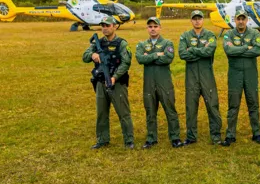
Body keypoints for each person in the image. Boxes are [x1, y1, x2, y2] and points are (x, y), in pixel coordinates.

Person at [83, 16, 135, 149]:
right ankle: (102, 139)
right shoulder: (97, 43)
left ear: (115, 26)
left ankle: (129, 140)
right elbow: (85, 56)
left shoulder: (121, 43)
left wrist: (115, 77)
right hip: (101, 82)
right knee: (101, 113)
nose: (105, 28)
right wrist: (92, 55)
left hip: (117, 83)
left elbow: (126, 63)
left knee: (123, 112)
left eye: (108, 25)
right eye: (103, 26)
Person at [135, 17, 183, 149]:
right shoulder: (142, 44)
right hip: (149, 83)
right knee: (150, 110)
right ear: (147, 29)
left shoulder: (167, 43)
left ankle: (175, 137)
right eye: (150, 26)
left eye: (155, 26)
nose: (153, 29)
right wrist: (157, 55)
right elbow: (140, 58)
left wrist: (148, 56)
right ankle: (151, 138)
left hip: (164, 82)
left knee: (170, 109)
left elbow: (168, 59)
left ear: (160, 28)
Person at [221, 7, 260, 146]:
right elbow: (228, 50)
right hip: (235, 74)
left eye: (243, 19)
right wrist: (247, 47)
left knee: (253, 103)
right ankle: (230, 135)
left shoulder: (254, 33)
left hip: (250, 74)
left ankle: (256, 133)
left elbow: (257, 50)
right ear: (234, 20)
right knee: (233, 104)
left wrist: (237, 49)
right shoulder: (228, 34)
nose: (240, 21)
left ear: (247, 20)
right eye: (238, 19)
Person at [178, 10, 223, 145]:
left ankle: (216, 136)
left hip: (206, 75)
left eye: (199, 18)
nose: (197, 21)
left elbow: (210, 51)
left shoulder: (210, 35)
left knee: (212, 105)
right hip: (191, 76)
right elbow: (182, 54)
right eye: (194, 18)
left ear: (203, 20)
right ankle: (191, 137)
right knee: (191, 106)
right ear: (191, 21)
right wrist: (202, 51)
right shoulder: (185, 36)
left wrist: (191, 49)